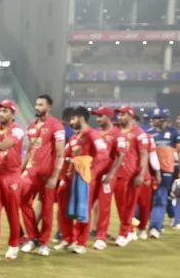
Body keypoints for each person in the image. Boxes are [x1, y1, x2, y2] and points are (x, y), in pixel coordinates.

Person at [55, 106, 108, 254]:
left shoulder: (93, 135)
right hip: (69, 178)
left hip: (84, 179)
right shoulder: (73, 138)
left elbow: (103, 155)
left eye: (73, 118)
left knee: (83, 209)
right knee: (63, 208)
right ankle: (68, 238)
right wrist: (61, 177)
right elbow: (65, 156)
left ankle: (81, 242)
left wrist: (91, 171)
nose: (70, 122)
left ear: (81, 118)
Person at [19, 94, 66, 257]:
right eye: (36, 104)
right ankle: (33, 237)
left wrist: (54, 177)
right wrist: (20, 171)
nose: (37, 107)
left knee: (47, 210)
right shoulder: (31, 126)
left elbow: (61, 153)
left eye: (40, 105)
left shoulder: (57, 126)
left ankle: (44, 242)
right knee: (23, 201)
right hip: (31, 174)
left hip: (48, 176)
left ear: (49, 107)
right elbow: (29, 150)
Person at [0, 100, 25, 260]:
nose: (1, 114)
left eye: (5, 111)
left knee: (12, 213)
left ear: (13, 113)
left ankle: (14, 245)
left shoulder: (17, 130)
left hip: (12, 175)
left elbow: (4, 145)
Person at [113, 106, 149, 247]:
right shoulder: (115, 131)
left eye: (123, 114)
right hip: (116, 174)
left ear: (130, 116)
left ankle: (124, 233)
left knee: (129, 205)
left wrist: (141, 174)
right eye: (118, 114)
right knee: (120, 206)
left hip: (131, 174)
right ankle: (129, 230)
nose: (119, 117)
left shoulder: (139, 133)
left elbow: (144, 154)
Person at [147, 108, 180, 239]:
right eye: (154, 118)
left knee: (160, 198)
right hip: (149, 170)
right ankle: (144, 225)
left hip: (166, 171)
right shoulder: (148, 133)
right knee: (147, 200)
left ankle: (155, 227)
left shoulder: (173, 133)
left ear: (164, 119)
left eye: (157, 118)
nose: (154, 120)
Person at [92, 106, 124, 250]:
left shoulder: (118, 134)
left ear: (108, 116)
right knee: (87, 204)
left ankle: (101, 237)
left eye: (100, 116)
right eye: (97, 116)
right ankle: (80, 237)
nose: (98, 119)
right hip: (94, 174)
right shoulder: (96, 133)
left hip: (107, 176)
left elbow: (120, 155)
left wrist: (111, 174)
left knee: (104, 206)